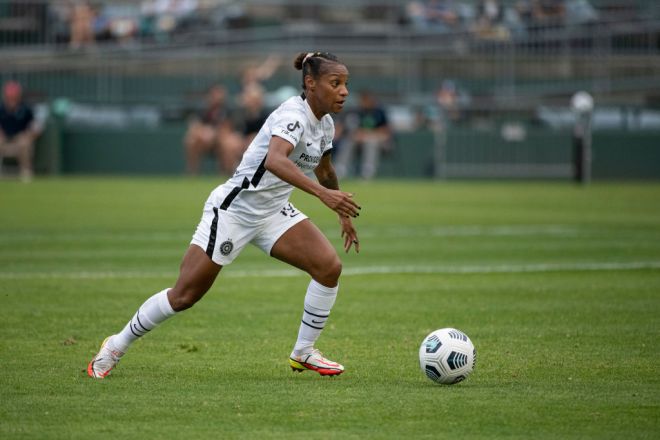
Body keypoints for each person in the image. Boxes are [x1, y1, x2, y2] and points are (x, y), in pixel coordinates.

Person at [88, 51, 360, 379]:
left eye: (345, 84)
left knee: (329, 268)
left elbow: (325, 170)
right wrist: (322, 195)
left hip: (273, 211)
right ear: (310, 83)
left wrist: (341, 211)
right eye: (336, 83)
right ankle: (115, 345)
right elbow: (275, 160)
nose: (344, 91)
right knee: (185, 295)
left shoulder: (326, 124)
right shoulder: (293, 114)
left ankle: (303, 352)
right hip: (235, 211)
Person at [184, 84, 244, 175]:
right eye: (215, 94)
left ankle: (228, 174)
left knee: (230, 144)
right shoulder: (204, 109)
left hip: (224, 140)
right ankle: (192, 172)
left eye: (220, 93)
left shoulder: (229, 109)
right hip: (207, 141)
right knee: (191, 140)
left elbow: (231, 129)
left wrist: (215, 132)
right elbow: (195, 126)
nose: (218, 96)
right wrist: (204, 132)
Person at [334, 90, 392, 180]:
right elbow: (352, 129)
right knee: (348, 141)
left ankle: (367, 171)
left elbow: (385, 132)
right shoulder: (357, 111)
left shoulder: (380, 112)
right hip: (359, 140)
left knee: (371, 142)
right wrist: (359, 135)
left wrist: (368, 134)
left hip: (379, 141)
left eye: (367, 99)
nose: (365, 102)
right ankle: (340, 169)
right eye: (363, 100)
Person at [0, 81, 39, 181]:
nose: (12, 99)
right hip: (4, 138)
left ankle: (26, 172)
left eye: (14, 96)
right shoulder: (1, 108)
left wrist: (28, 135)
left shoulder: (26, 109)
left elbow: (34, 126)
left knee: (24, 143)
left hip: (20, 137)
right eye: (9, 96)